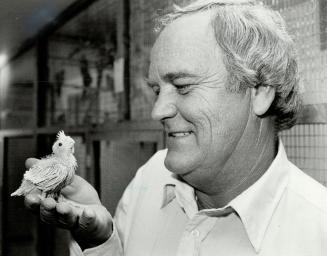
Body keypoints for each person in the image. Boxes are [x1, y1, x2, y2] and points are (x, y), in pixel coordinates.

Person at [25, 0, 327, 255]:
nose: (158, 111)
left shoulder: (318, 232)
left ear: (259, 91)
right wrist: (100, 241)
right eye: (157, 90)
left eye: (182, 86)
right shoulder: (151, 176)